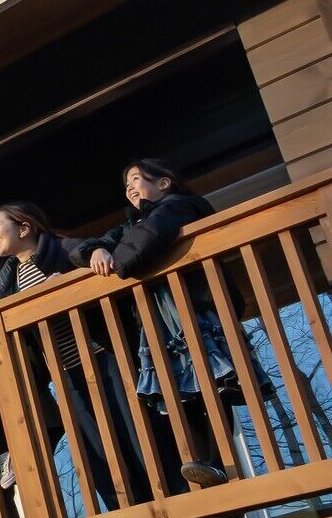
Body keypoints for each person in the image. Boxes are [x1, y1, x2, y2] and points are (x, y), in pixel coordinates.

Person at [65, 159, 257, 495]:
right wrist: (97, 248)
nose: (130, 188)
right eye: (126, 185)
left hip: (193, 310)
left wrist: (114, 256)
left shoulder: (179, 206)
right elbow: (82, 251)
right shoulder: (132, 224)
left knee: (210, 382)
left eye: (137, 179)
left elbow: (141, 247)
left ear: (164, 183)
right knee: (186, 391)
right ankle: (212, 473)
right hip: (164, 319)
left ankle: (219, 464)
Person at [0, 201, 139, 518]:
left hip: (102, 357)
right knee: (96, 451)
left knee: (132, 436)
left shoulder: (57, 249)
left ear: (24, 228)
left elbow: (90, 250)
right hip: (65, 374)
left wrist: (96, 253)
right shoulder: (7, 280)